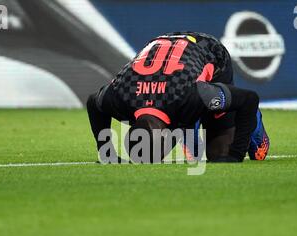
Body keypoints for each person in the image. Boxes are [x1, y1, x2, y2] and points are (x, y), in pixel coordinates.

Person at [86, 31, 269, 163]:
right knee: (192, 134)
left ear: (168, 136)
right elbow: (93, 103)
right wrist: (106, 152)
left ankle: (256, 124)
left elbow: (249, 99)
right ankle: (189, 122)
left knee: (220, 155)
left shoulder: (192, 95)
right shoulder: (118, 98)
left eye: (162, 154)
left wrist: (236, 155)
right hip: (164, 52)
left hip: (209, 52)